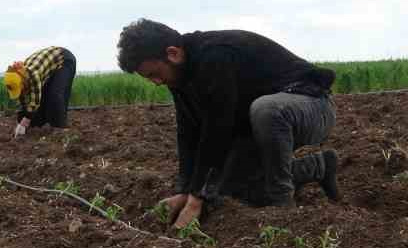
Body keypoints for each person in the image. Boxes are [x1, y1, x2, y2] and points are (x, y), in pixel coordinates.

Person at [116, 18, 339, 229]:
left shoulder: (214, 56)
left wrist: (196, 199)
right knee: (226, 192)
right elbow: (189, 133)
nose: (156, 82)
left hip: (311, 107)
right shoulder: (180, 74)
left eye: (155, 74)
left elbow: (217, 128)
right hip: (258, 127)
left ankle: (281, 203)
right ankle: (317, 167)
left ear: (172, 54)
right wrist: (184, 191)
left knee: (266, 110)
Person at [3, 46, 76, 138]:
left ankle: (61, 128)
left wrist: (24, 122)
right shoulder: (19, 78)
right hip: (50, 66)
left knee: (55, 95)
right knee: (33, 114)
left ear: (23, 82)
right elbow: (23, 104)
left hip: (64, 59)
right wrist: (20, 123)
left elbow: (35, 103)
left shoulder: (33, 75)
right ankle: (42, 123)